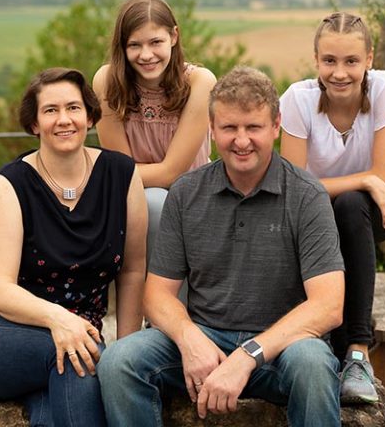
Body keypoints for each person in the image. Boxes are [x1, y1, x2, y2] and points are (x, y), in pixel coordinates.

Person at [98, 66, 346, 427]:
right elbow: (157, 296)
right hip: (206, 337)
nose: (241, 140)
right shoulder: (186, 193)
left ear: (276, 126)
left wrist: (248, 356)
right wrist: (189, 340)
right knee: (120, 361)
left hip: (283, 348)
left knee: (314, 364)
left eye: (253, 128)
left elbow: (328, 306)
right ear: (212, 131)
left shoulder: (307, 196)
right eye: (229, 128)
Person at [0, 67, 147, 427]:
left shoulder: (121, 174)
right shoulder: (10, 185)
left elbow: (133, 269)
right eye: (50, 110)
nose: (64, 120)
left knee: (70, 377)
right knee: (81, 357)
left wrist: (126, 352)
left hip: (74, 334)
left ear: (89, 116)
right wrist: (59, 320)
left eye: (73, 108)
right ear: (34, 123)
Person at [280, 12, 385, 404]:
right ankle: (331, 351)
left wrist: (371, 183)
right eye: (330, 61)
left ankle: (357, 352)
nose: (340, 73)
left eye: (351, 61)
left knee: (351, 206)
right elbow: (295, 187)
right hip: (312, 212)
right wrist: (365, 177)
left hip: (380, 208)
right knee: (339, 208)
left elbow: (383, 179)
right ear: (316, 60)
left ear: (369, 59)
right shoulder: (297, 100)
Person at [93, 0, 216, 263]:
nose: (146, 55)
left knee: (158, 202)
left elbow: (173, 172)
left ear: (174, 36)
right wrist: (114, 175)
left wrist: (105, 174)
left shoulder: (199, 82)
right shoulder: (107, 81)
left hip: (194, 193)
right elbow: (121, 167)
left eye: (156, 42)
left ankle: (170, 302)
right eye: (134, 45)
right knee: (153, 202)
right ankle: (151, 301)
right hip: (136, 199)